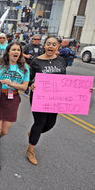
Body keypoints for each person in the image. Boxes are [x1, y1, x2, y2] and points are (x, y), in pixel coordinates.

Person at [26, 36, 67, 165]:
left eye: (53, 44)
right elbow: (30, 78)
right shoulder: (36, 61)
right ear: (44, 46)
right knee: (40, 121)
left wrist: (83, 90)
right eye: (48, 44)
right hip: (40, 97)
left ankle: (33, 133)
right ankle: (30, 149)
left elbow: (65, 80)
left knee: (50, 124)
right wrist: (32, 84)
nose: (50, 46)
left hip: (55, 98)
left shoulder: (61, 61)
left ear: (57, 47)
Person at [0, 42, 30, 171]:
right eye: (13, 49)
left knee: (5, 131)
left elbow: (24, 87)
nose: (16, 52)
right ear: (8, 52)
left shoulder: (25, 68)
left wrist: (12, 84)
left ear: (20, 53)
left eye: (18, 50)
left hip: (13, 99)